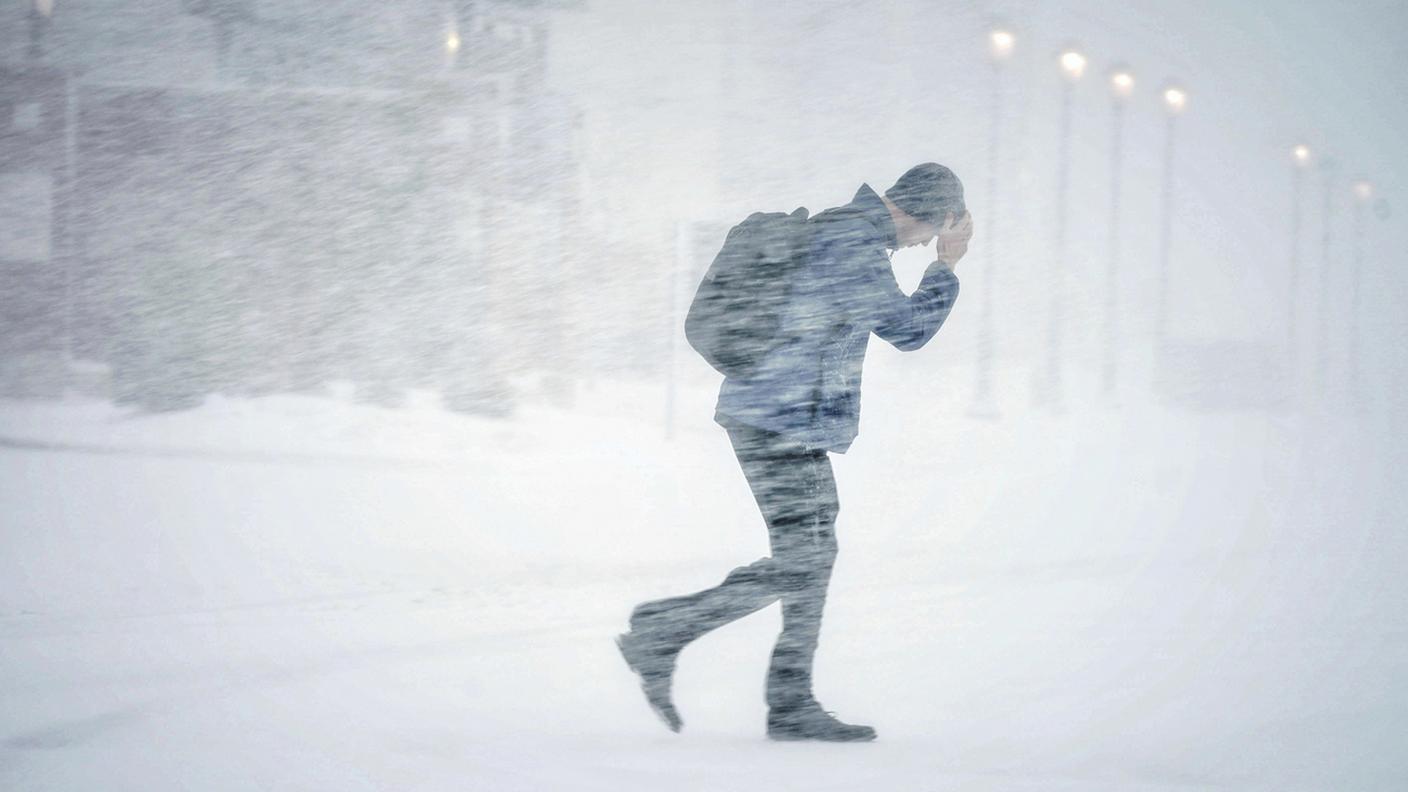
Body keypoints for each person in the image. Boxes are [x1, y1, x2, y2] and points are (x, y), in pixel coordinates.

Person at [617, 163, 972, 742]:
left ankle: (772, 691)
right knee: (807, 560)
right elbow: (909, 330)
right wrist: (946, 267)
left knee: (809, 558)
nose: (926, 243)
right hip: (782, 422)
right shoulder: (853, 242)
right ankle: (677, 638)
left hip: (776, 418)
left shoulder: (845, 231)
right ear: (928, 214)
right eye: (934, 231)